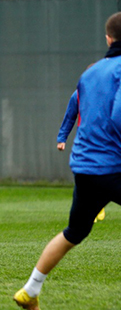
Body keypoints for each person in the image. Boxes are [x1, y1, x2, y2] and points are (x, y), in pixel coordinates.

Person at [14, 12, 121, 310]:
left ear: (108, 39)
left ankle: (30, 290)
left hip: (85, 167)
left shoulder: (89, 74)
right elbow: (118, 116)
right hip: (112, 165)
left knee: (75, 232)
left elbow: (85, 114)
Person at [57, 90, 106, 222]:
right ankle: (90, 208)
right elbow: (70, 116)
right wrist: (62, 138)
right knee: (83, 173)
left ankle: (98, 203)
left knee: (104, 173)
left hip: (106, 141)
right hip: (84, 142)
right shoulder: (79, 94)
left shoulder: (111, 92)